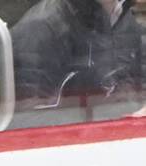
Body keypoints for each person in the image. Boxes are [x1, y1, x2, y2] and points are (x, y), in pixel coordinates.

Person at [11, 0, 144, 123]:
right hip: (74, 142)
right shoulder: (40, 29)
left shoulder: (124, 18)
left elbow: (135, 87)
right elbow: (27, 120)